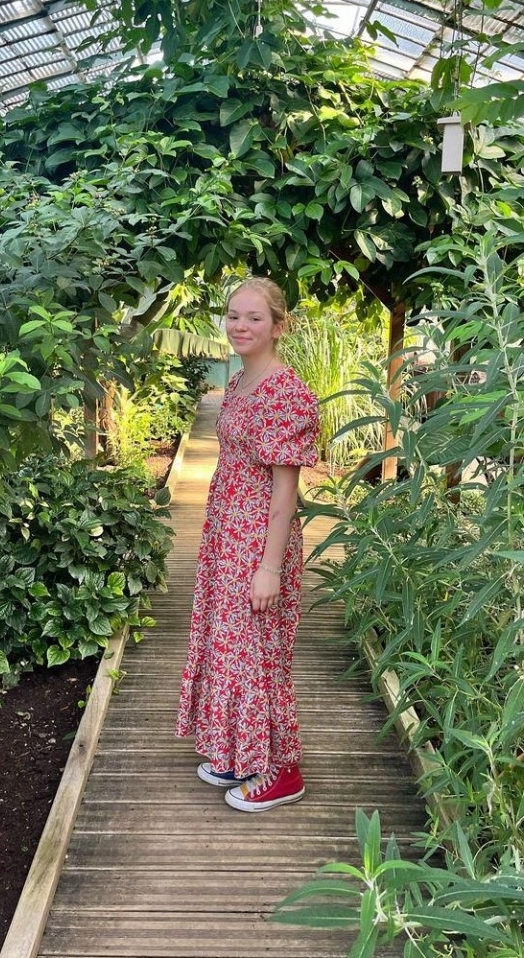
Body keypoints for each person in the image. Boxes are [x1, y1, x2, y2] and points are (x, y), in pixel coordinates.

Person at [175, 277, 320, 812]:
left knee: (259, 652)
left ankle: (282, 771)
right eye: (234, 315)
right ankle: (242, 751)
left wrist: (269, 568)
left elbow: (286, 493)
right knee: (231, 645)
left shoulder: (286, 394)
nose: (240, 325)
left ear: (279, 326)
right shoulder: (239, 382)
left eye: (254, 317)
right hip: (227, 534)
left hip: (259, 539)